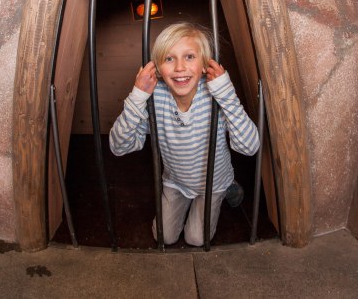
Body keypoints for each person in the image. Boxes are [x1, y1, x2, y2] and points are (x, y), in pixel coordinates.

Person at [109, 22, 259, 246]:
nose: (180, 67)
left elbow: (249, 147)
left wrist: (227, 95)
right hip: (176, 181)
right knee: (164, 237)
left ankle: (229, 186)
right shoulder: (154, 97)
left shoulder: (216, 93)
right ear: (158, 68)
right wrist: (137, 96)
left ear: (204, 65)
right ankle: (200, 196)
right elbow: (118, 147)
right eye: (169, 59)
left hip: (213, 181)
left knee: (197, 239)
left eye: (189, 57)